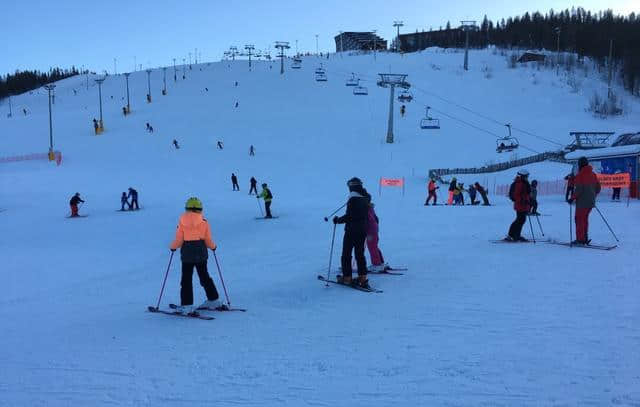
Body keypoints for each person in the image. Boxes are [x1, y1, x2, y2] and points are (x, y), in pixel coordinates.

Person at [169, 197, 221, 314]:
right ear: (199, 209)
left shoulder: (181, 222)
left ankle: (187, 305)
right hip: (201, 252)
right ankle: (213, 299)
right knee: (204, 276)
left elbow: (179, 239)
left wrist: (173, 247)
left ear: (187, 208)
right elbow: (207, 239)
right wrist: (213, 247)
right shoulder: (204, 222)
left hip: (187, 254)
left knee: (186, 278)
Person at [333, 177, 370, 288]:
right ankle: (363, 278)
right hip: (362, 230)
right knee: (360, 255)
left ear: (352, 186)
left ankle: (347, 278)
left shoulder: (353, 198)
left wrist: (338, 220)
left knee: (346, 255)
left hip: (351, 231)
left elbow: (350, 216)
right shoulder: (366, 197)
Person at [569, 157, 601, 245]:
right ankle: (584, 237)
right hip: (591, 202)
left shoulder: (580, 175)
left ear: (580, 165)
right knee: (584, 220)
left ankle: (580, 239)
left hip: (582, 203)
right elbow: (598, 188)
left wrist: (572, 198)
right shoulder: (593, 174)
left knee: (579, 220)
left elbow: (579, 190)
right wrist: (592, 195)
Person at [506, 170, 531, 241]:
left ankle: (515, 235)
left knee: (521, 220)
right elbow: (517, 195)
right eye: (526, 176)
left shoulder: (523, 182)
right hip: (520, 204)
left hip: (523, 204)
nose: (527, 177)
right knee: (520, 220)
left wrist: (529, 200)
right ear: (523, 176)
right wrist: (524, 200)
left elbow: (526, 193)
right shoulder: (519, 183)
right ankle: (513, 235)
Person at [365, 193, 387, 272]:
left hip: (370, 231)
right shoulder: (370, 208)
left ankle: (376, 264)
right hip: (374, 229)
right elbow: (376, 218)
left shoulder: (366, 208)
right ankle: (380, 263)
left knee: (372, 247)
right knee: (374, 246)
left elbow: (368, 220)